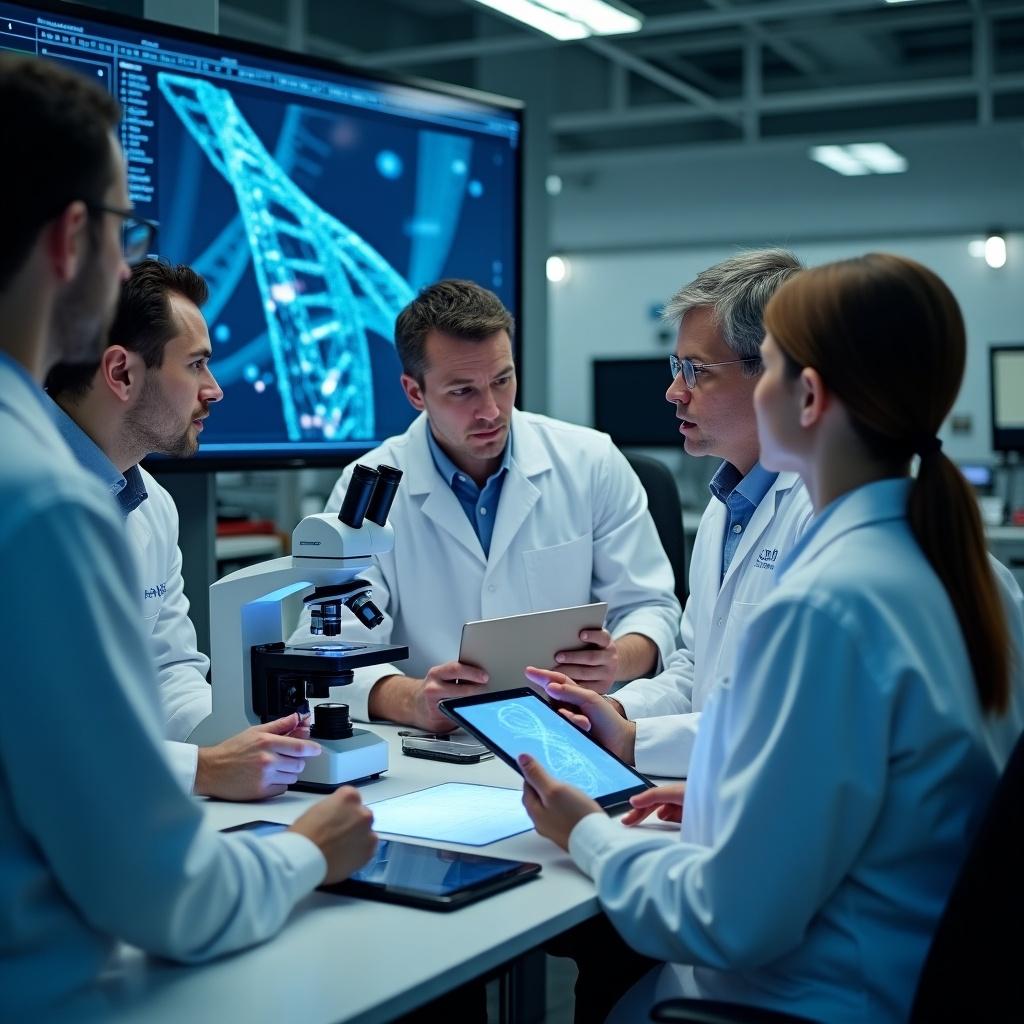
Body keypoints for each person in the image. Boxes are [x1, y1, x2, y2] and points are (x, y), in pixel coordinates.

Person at [518, 253, 1024, 1023]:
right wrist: (722, 798)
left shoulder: (825, 603)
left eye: (765, 369)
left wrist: (583, 831)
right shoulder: (969, 571)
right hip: (907, 970)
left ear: (807, 395)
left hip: (810, 996)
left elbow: (728, 922)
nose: (679, 389)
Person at [0, 54, 376, 1017]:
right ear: (74, 237)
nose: (215, 389)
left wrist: (227, 746)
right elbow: (163, 891)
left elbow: (152, 686)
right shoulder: (41, 496)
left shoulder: (121, 496)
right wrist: (306, 852)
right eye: (125, 229)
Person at [293, 278, 681, 731]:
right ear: (415, 392)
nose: (492, 410)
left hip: (571, 727)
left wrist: (617, 659)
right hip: (437, 746)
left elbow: (652, 608)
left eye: (502, 380)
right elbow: (329, 648)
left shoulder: (590, 461)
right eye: (463, 391)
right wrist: (414, 699)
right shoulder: (370, 489)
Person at [46, 259, 317, 800]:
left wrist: (235, 741)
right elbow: (35, 723)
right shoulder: (23, 495)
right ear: (121, 373)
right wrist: (203, 769)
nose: (214, 390)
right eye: (196, 365)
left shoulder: (153, 505)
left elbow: (169, 669)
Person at [550, 250, 813, 778]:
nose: (674, 392)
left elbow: (799, 722)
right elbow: (696, 670)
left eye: (697, 371)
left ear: (774, 376)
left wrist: (633, 740)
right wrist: (618, 712)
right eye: (677, 368)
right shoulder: (726, 508)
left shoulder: (818, 514)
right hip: (717, 783)